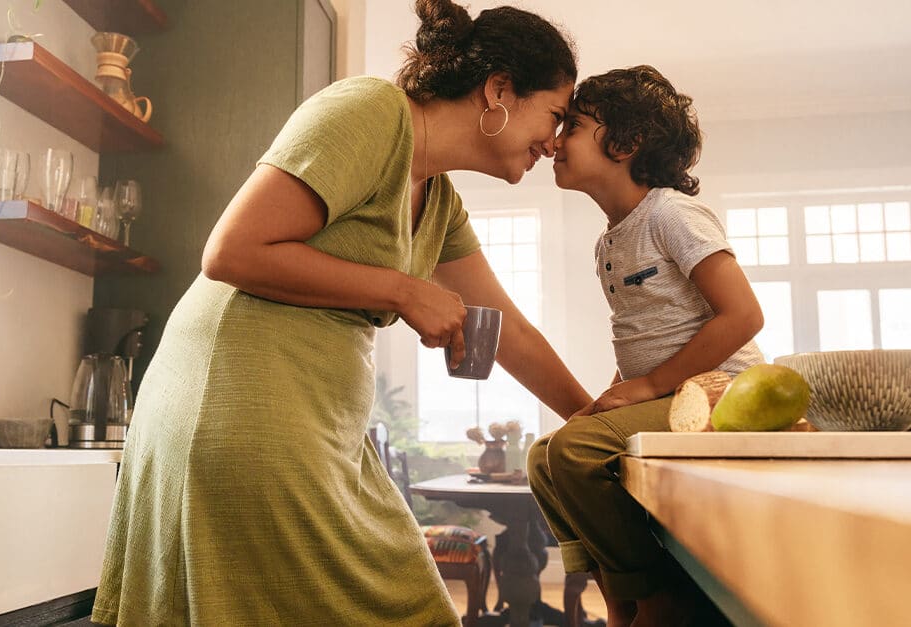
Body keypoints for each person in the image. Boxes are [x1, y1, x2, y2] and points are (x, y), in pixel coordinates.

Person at [91, 1, 591, 625]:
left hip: (320, 426)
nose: (557, 140)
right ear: (499, 90)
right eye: (556, 114)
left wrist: (593, 417)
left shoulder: (440, 201)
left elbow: (508, 327)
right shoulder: (370, 112)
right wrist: (405, 292)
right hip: (237, 403)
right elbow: (230, 251)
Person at [526, 66, 765, 627]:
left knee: (575, 451)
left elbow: (745, 314)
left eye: (575, 126)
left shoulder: (671, 213)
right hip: (667, 391)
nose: (556, 141)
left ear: (626, 144)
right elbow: (645, 333)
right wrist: (619, 391)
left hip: (718, 392)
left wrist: (651, 386)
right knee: (544, 456)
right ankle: (618, 592)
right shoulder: (610, 239)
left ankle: (660, 597)